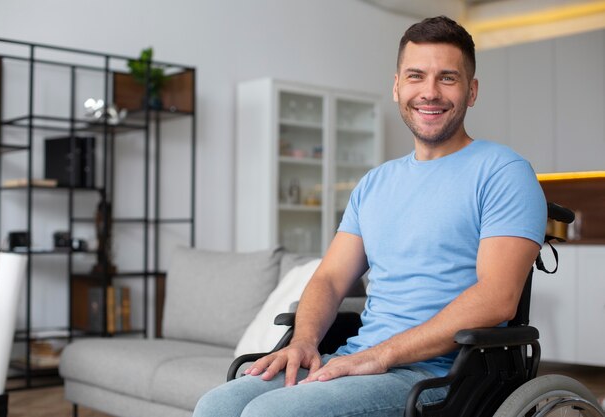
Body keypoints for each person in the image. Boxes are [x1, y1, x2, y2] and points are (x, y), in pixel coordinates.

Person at [194, 15, 547, 417]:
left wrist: (382, 356)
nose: (430, 92)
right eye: (416, 76)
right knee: (217, 405)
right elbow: (328, 278)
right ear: (397, 86)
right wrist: (305, 341)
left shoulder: (503, 172)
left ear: (472, 90)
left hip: (442, 377)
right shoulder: (375, 183)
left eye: (448, 78)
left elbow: (498, 298)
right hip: (357, 360)